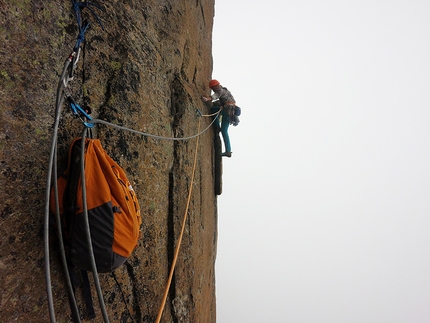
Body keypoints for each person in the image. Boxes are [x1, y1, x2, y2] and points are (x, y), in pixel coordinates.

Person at [201, 79, 236, 158]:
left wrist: (208, 99)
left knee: (224, 130)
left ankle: (228, 151)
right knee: (224, 130)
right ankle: (228, 150)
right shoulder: (225, 90)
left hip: (227, 111)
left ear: (216, 86)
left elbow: (215, 96)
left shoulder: (220, 91)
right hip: (229, 110)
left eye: (213, 88)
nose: (213, 90)